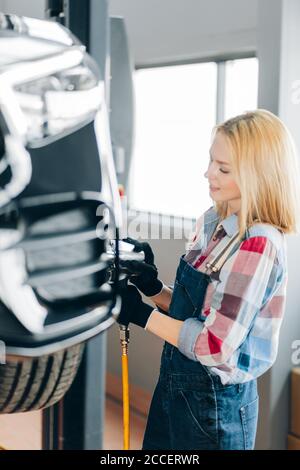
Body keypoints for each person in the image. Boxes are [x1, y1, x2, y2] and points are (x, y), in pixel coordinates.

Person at [117, 109, 300, 450]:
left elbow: (214, 346)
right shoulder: (213, 220)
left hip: (215, 404)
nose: (207, 173)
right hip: (175, 385)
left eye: (223, 168)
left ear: (257, 175)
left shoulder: (258, 243)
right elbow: (198, 313)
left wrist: (141, 316)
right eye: (211, 161)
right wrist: (152, 288)